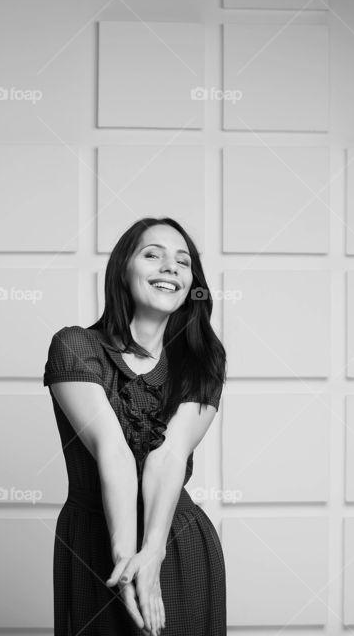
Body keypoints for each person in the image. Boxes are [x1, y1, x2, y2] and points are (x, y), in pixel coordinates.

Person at [43, 217, 227, 635]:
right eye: (152, 255)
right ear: (123, 270)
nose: (170, 267)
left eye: (183, 262)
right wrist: (129, 566)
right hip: (94, 542)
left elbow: (170, 454)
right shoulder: (74, 346)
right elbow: (113, 452)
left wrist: (153, 555)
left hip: (176, 543)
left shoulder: (203, 360)